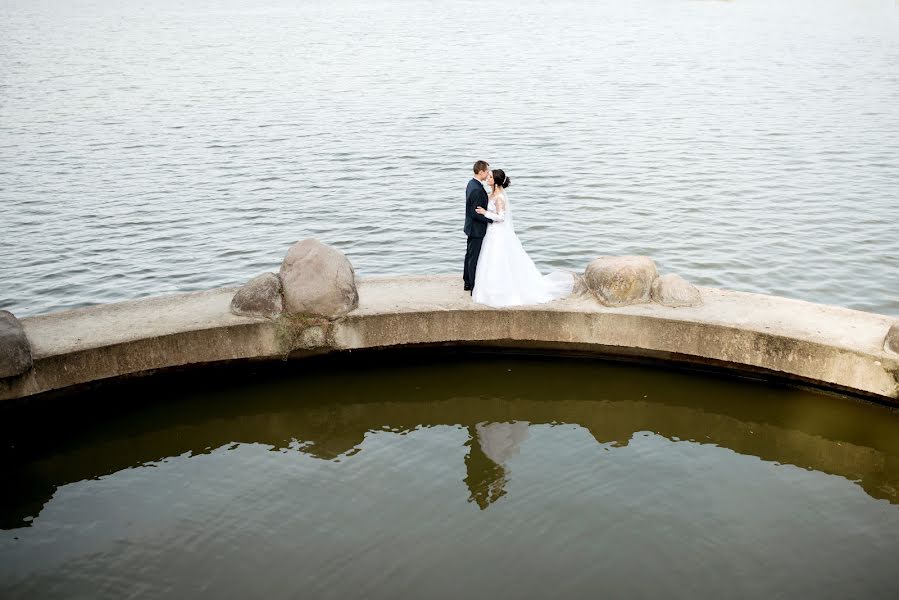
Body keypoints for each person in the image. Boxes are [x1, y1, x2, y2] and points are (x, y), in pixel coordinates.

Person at [472, 169, 573, 307]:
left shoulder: (500, 197)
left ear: (496, 181)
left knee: (498, 258)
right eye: (488, 176)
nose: (488, 179)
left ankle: (502, 291)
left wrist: (485, 213)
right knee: (490, 259)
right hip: (491, 232)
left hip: (498, 232)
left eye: (490, 177)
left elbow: (501, 218)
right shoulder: (492, 193)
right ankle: (489, 289)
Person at [463, 160, 493, 293]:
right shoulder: (476, 189)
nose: (488, 174)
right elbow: (475, 213)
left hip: (471, 227)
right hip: (476, 228)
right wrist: (491, 219)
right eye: (487, 172)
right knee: (474, 257)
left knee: (469, 254)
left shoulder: (471, 183)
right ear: (481, 172)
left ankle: (467, 281)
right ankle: (473, 286)